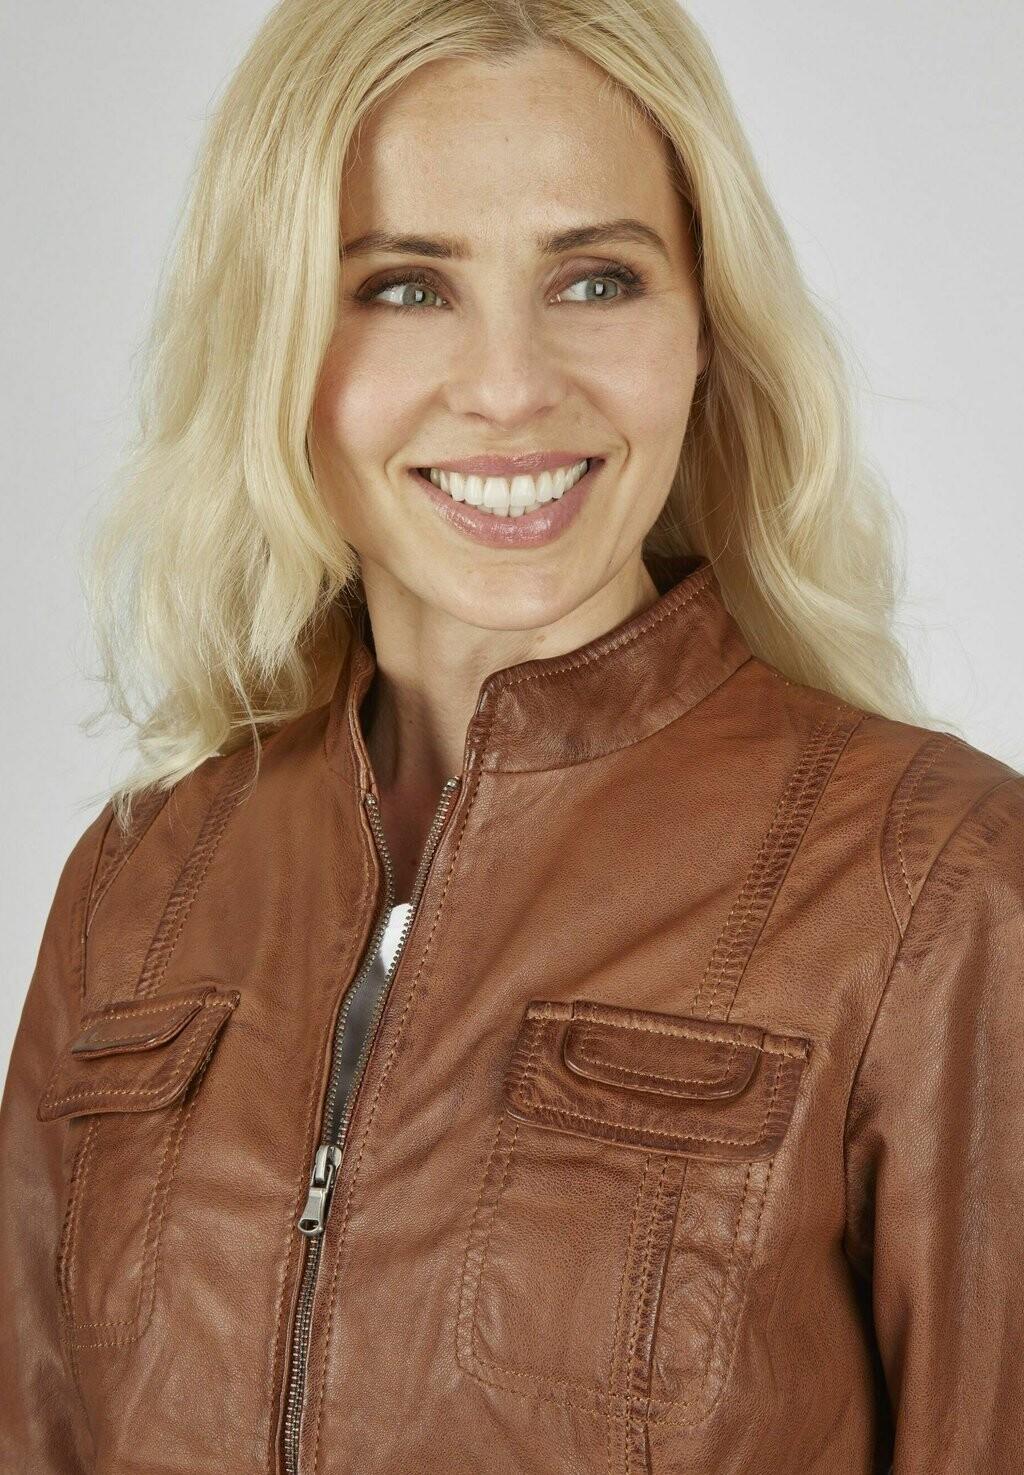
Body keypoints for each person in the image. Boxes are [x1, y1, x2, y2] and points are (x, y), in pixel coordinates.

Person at [1, 0, 1021, 1471]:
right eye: (404, 287)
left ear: (705, 331)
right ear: (275, 338)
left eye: (597, 279)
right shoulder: (137, 887)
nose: (509, 386)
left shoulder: (932, 878)